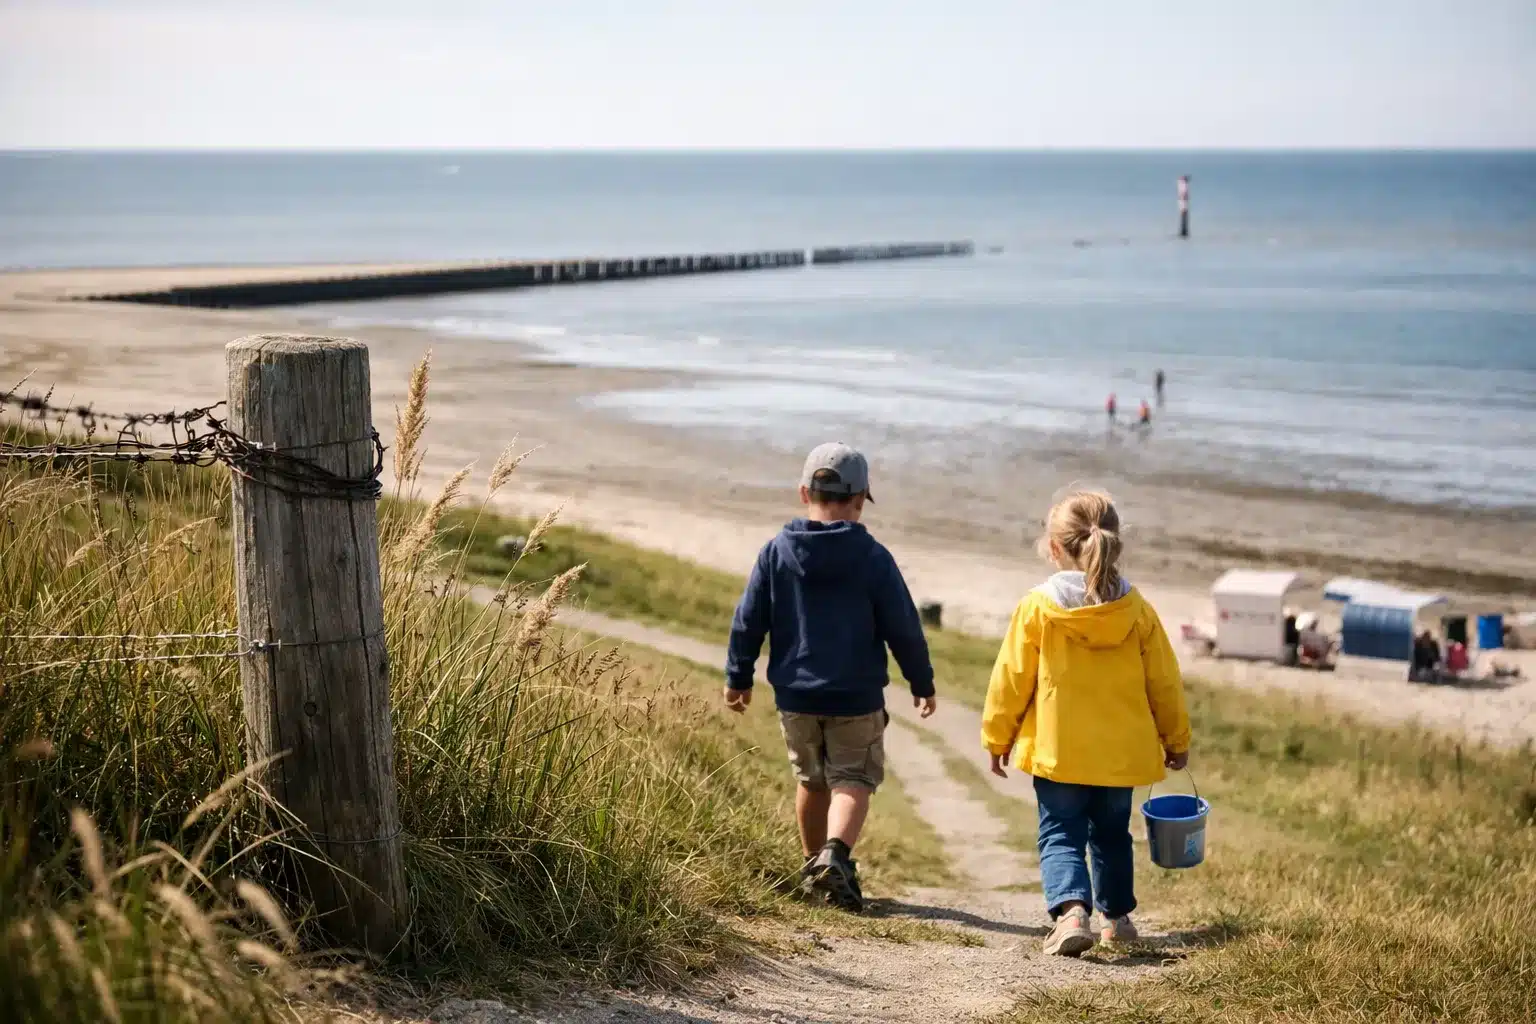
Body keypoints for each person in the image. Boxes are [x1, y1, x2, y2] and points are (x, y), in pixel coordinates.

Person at [726, 442, 937, 913]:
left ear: (804, 492)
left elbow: (748, 619)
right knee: (853, 779)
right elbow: (903, 625)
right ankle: (836, 857)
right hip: (855, 696)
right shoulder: (873, 557)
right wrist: (921, 682)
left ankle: (812, 866)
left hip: (794, 694)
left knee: (811, 780)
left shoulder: (777, 552)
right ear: (861, 499)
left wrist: (738, 676)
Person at [981, 491, 1190, 956]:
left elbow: (1011, 679)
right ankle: (1116, 919)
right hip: (1120, 755)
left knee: (1060, 831)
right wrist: (1176, 740)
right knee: (1113, 834)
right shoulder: (1137, 610)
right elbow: (1165, 683)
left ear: (1054, 547)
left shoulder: (1038, 607)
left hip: (1060, 752)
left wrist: (998, 738)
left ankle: (1073, 912)